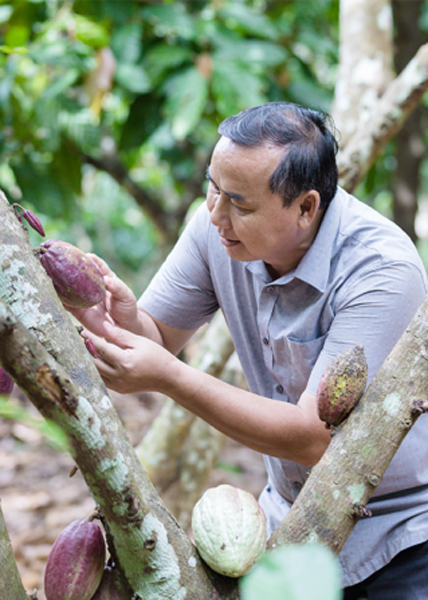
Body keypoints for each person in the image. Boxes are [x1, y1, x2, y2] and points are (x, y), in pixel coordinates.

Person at [72, 102, 428, 599]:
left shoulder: (381, 270)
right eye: (212, 190)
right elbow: (155, 340)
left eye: (239, 204)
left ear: (306, 208)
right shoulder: (216, 227)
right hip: (290, 522)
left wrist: (168, 376)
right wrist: (121, 320)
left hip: (403, 533)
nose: (216, 215)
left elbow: (312, 437)